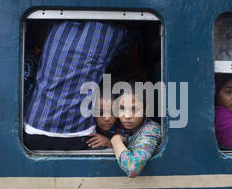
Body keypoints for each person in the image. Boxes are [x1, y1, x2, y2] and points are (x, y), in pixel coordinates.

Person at [23, 20, 136, 150]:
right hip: (77, 131)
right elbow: (134, 36)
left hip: (36, 124)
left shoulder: (55, 23)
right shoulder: (114, 32)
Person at [110, 85, 161, 177]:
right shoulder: (126, 129)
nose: (127, 116)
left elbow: (132, 168)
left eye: (134, 109)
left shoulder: (151, 129)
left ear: (146, 110)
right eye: (122, 108)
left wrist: (115, 140)